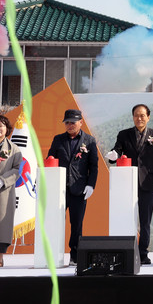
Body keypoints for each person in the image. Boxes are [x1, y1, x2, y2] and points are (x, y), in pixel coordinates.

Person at [107, 104, 153, 265]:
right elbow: (116, 151)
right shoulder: (124, 135)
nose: (139, 118)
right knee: (126, 218)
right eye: (136, 115)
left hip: (148, 183)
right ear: (133, 117)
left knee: (145, 221)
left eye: (142, 115)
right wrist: (113, 156)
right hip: (127, 184)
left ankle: (143, 253)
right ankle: (126, 252)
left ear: (148, 117)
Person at [47, 109, 99, 266]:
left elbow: (94, 166)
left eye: (73, 122)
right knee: (55, 222)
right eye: (67, 122)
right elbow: (51, 160)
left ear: (80, 123)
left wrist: (91, 185)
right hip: (59, 189)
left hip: (79, 189)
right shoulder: (58, 139)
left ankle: (75, 255)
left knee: (76, 224)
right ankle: (53, 254)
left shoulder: (89, 141)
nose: (70, 125)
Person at [0, 114, 22, 268]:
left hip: (5, 191)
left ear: (7, 129)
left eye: (1, 125)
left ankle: (0, 256)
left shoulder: (14, 149)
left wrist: (2, 180)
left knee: (3, 223)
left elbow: (17, 170)